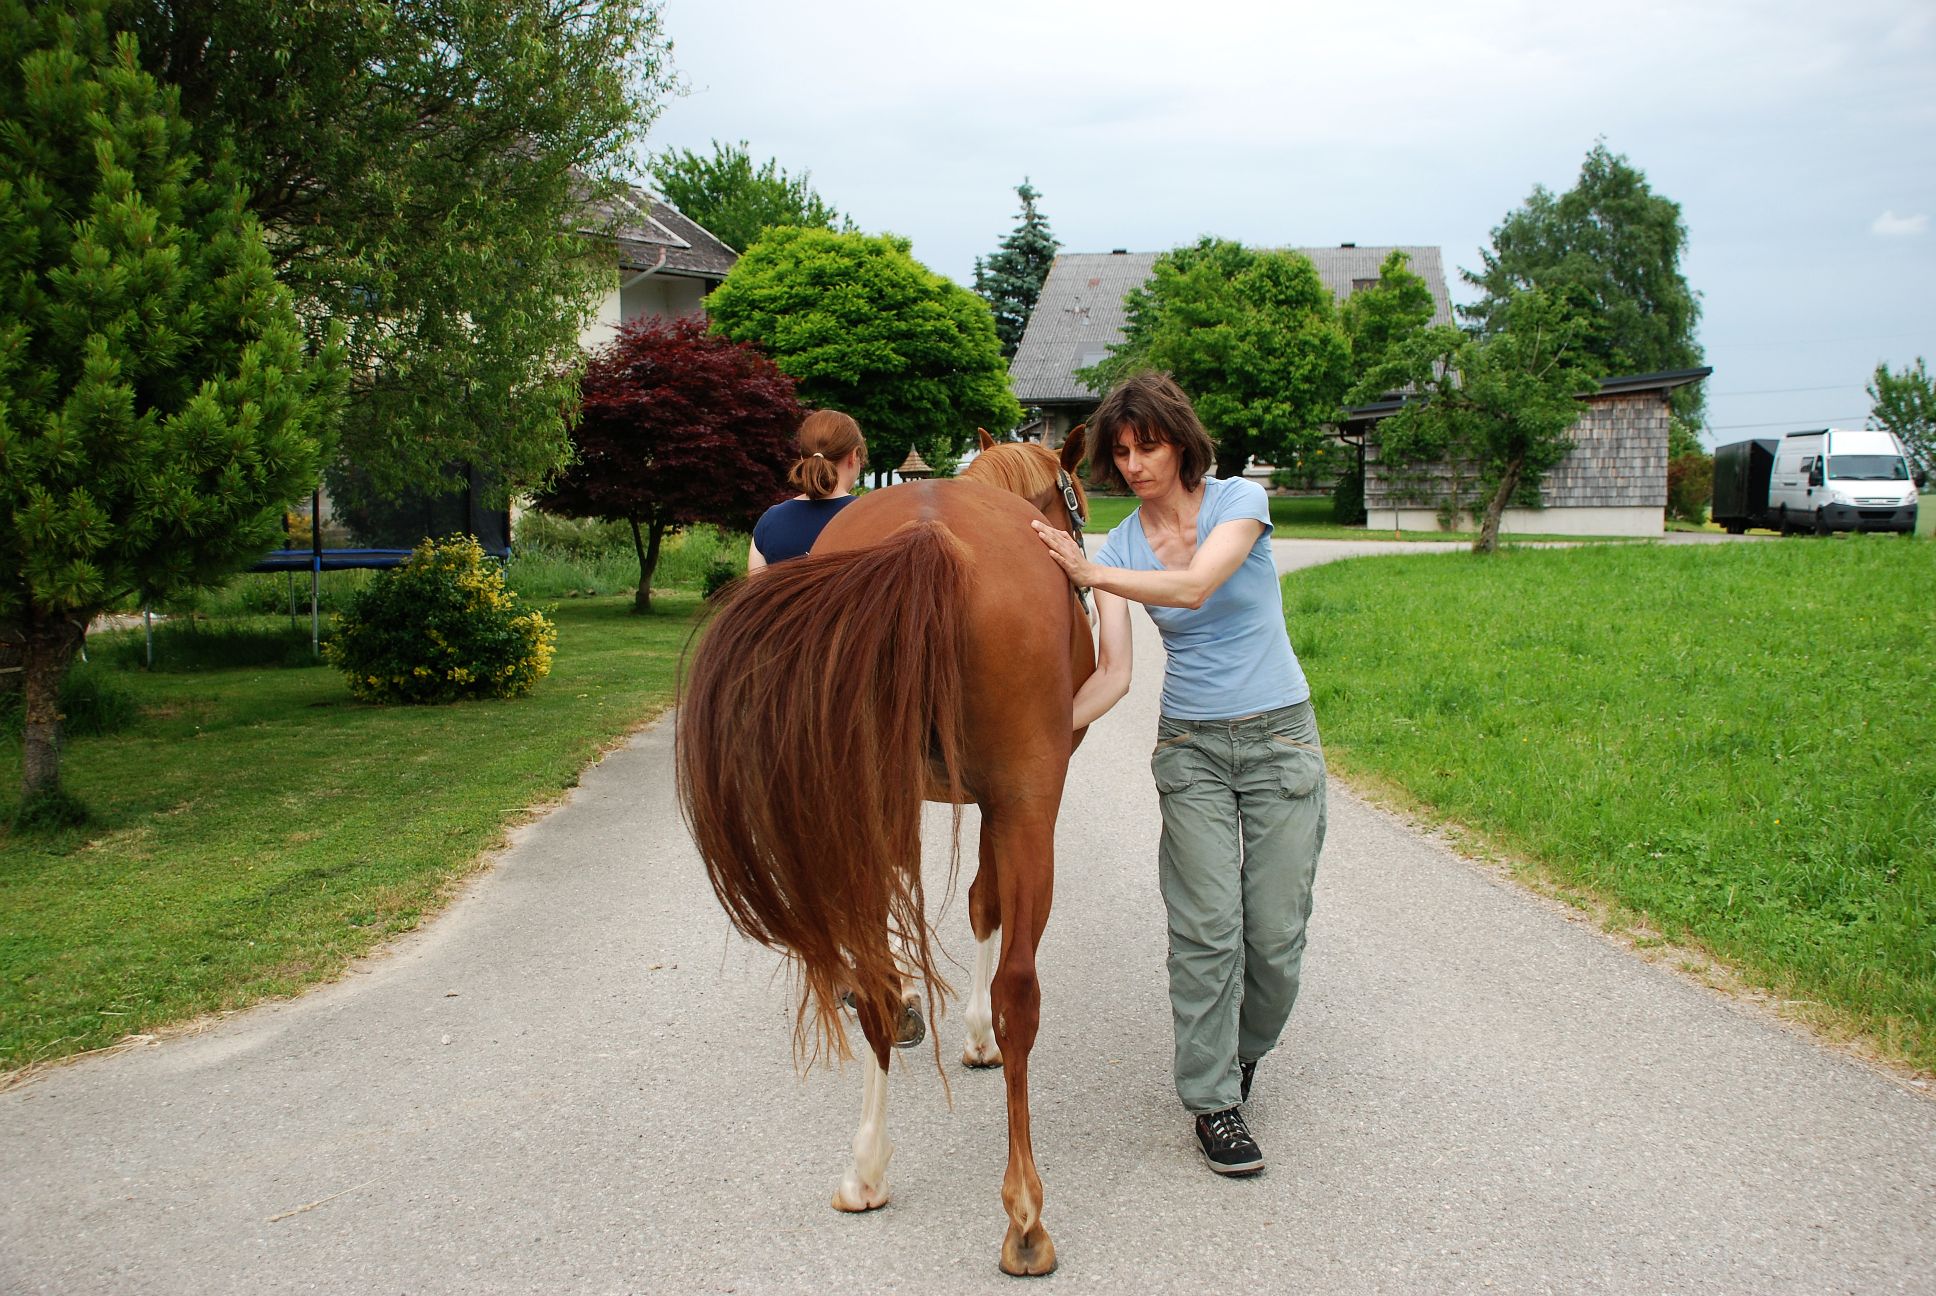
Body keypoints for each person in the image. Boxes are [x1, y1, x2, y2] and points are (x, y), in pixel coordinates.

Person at [1030, 371, 1324, 1178]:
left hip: (1280, 742)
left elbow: (1195, 587)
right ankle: (1212, 1100)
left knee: (1274, 935)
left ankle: (1242, 1050)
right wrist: (1036, 735)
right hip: (1191, 747)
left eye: (1147, 445)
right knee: (1206, 932)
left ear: (1181, 440)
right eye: (1120, 452)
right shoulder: (1121, 544)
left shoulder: (1240, 502)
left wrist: (1087, 575)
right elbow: (1116, 674)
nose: (1133, 464)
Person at [748, 410, 867, 572]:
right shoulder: (872, 516)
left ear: (803, 458)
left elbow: (757, 592)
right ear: (854, 456)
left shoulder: (770, 521)